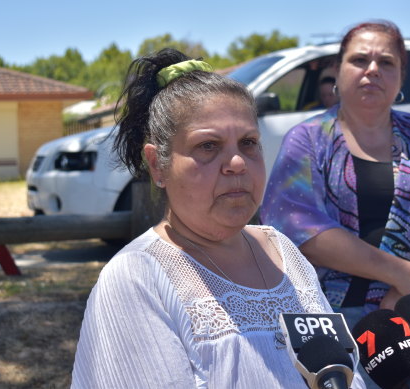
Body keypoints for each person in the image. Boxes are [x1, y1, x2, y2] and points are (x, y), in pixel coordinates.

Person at [71, 48, 365, 388]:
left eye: (249, 142)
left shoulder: (285, 251)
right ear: (157, 165)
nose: (237, 163)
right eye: (208, 146)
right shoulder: (137, 277)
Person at [260, 20, 410, 331]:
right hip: (330, 319)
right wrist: (401, 274)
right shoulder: (307, 140)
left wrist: (403, 293)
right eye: (360, 59)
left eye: (386, 62)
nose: (373, 69)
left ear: (402, 77)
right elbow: (298, 227)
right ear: (337, 71)